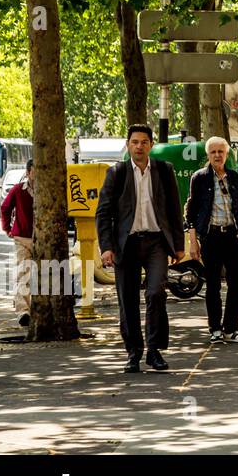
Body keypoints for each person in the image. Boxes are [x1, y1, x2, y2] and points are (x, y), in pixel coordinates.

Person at [96, 124, 186, 373]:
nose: (139, 146)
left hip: (156, 241)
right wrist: (106, 247)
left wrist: (178, 246)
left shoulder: (164, 170)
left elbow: (174, 210)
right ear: (128, 145)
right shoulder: (117, 172)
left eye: (144, 142)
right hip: (127, 244)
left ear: (151, 145)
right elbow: (103, 212)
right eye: (134, 142)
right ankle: (133, 352)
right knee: (128, 299)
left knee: (156, 292)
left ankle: (154, 350)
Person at [185, 137, 238, 344]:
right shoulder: (200, 178)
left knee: (237, 283)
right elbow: (191, 210)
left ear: (227, 154)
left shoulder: (234, 177)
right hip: (211, 236)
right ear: (208, 155)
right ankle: (215, 328)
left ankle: (231, 328)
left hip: (232, 236)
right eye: (213, 152)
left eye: (220, 152)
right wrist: (193, 240)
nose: (217, 155)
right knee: (213, 284)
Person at [0, 159, 34, 326]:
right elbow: (5, 208)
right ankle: (23, 311)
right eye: (34, 170)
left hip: (43, 240)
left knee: (47, 273)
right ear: (27, 172)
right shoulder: (18, 190)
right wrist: (7, 229)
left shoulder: (48, 190)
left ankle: (38, 309)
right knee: (23, 274)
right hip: (22, 239)